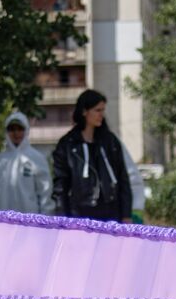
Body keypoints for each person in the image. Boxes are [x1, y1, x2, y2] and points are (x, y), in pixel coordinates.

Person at [51, 89, 132, 222]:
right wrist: (62, 218)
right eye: (97, 110)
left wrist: (126, 215)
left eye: (103, 110)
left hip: (110, 213)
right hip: (79, 214)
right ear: (84, 111)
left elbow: (123, 178)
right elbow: (60, 186)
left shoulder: (110, 142)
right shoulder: (67, 144)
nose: (101, 115)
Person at [0, 110, 54, 214]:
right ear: (6, 132)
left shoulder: (37, 159)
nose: (16, 133)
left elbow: (45, 193)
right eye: (12, 129)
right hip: (4, 222)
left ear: (26, 130)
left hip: (30, 223)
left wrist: (46, 221)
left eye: (20, 129)